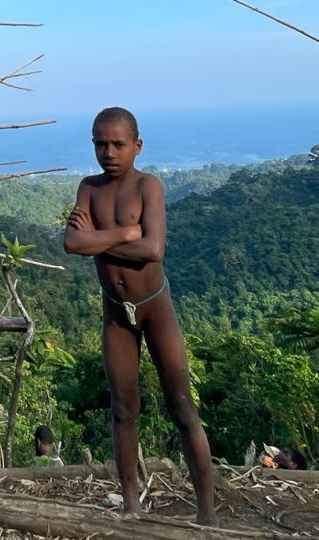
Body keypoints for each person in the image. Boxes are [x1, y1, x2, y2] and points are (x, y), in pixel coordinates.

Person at [64, 106, 217, 526]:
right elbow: (72, 244)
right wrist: (125, 233)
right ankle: (131, 506)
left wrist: (96, 239)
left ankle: (207, 511)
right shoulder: (89, 188)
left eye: (117, 144)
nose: (108, 152)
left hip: (155, 307)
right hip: (116, 312)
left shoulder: (149, 186)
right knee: (122, 408)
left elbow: (153, 250)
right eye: (100, 143)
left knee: (182, 405)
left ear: (137, 146)